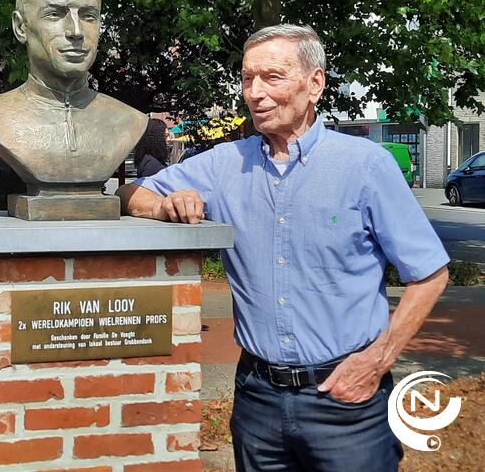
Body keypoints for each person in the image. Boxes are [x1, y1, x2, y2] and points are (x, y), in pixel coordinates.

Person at [117, 24, 449, 471]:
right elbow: (126, 193)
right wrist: (163, 206)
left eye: (272, 77)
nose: (255, 92)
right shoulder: (224, 164)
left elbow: (429, 273)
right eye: (247, 78)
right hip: (257, 398)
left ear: (315, 84)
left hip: (347, 401)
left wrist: (377, 361)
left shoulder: (366, 166)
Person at [0, 0, 147, 201]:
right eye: (55, 14)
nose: (76, 31)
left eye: (88, 15)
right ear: (21, 27)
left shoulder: (128, 120)